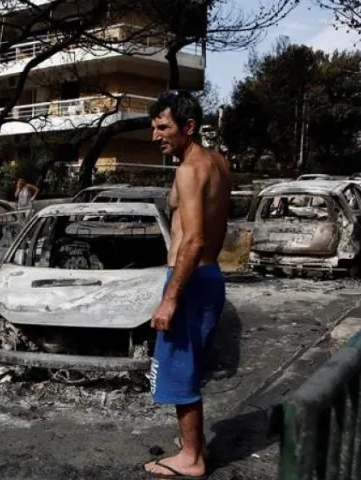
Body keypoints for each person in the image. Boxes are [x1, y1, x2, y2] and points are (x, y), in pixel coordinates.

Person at [143, 90, 230, 479]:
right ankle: (190, 443)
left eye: (163, 127)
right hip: (209, 275)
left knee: (178, 369)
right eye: (154, 127)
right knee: (191, 366)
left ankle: (191, 458)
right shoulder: (218, 163)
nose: (155, 136)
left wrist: (170, 298)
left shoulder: (189, 170)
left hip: (190, 279)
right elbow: (216, 229)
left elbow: (193, 239)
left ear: (189, 127)